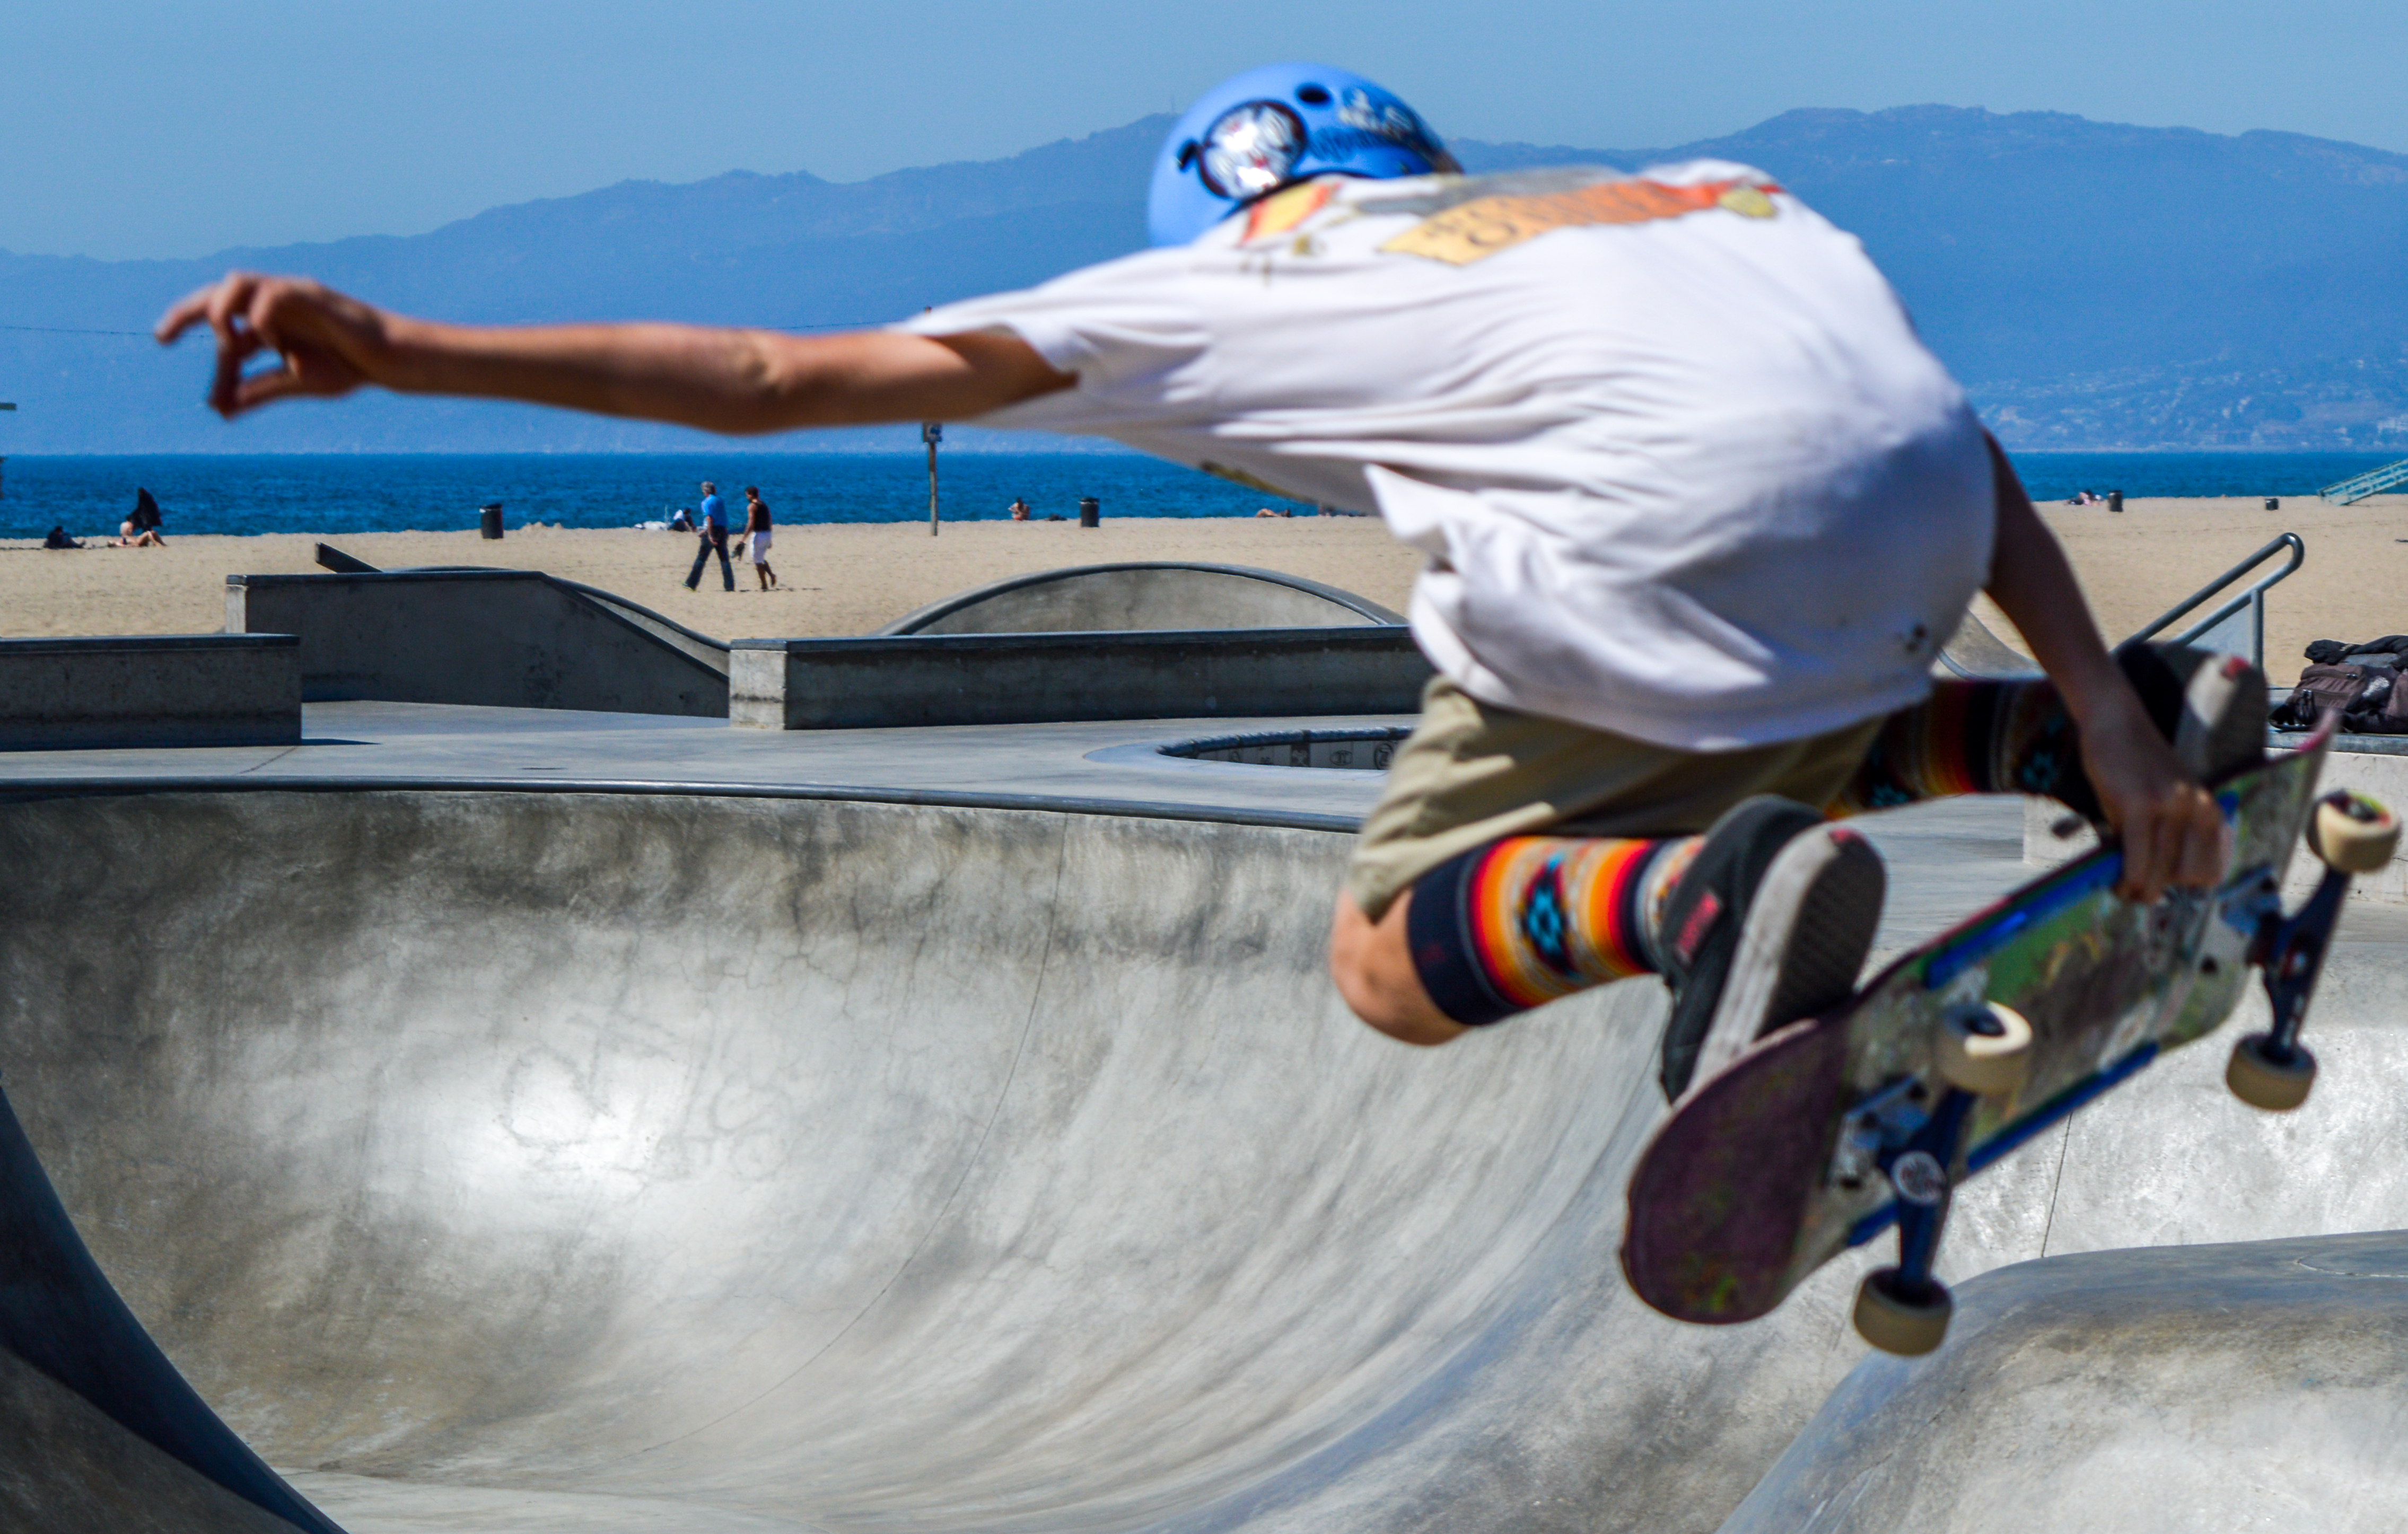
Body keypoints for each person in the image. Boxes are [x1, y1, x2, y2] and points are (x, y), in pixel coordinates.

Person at [154, 61, 2240, 1104]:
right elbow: (1935, 449)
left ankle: (1698, 900)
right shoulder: (1675, 187)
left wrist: (407, 348)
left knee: (1385, 959)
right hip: (1914, 530)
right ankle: (2038, 735)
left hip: (1660, 550)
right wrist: (2116, 708)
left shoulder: (1206, 280)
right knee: (1779, 668)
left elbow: (776, 382)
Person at [684, 481, 733, 591]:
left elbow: (710, 519)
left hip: (714, 530)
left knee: (702, 558)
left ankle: (692, 583)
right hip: (723, 530)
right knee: (725, 559)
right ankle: (730, 586)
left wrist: (710, 535)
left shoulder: (706, 502)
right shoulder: (720, 500)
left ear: (706, 491)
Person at [741, 486, 778, 590]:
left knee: (757, 560)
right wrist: (770, 539)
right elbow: (770, 521)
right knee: (760, 558)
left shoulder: (752, 506)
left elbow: (751, 523)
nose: (747, 497)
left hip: (759, 534)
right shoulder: (765, 505)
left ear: (750, 494)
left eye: (747, 495)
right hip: (767, 533)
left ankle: (764, 584)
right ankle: (771, 575)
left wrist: (743, 538)